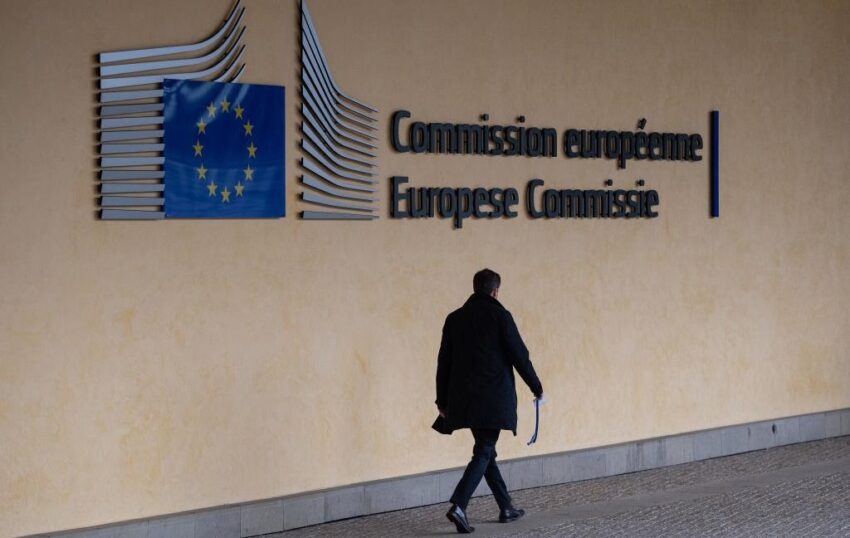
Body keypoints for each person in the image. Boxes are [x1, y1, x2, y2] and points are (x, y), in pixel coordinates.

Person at [436, 268, 544, 534]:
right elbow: (520, 356)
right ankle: (459, 505)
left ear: (476, 288)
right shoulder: (500, 316)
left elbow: (444, 361)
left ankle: (506, 507)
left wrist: (441, 399)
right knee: (484, 451)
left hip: (464, 400)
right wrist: (537, 387)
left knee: (487, 451)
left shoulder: (455, 319)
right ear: (495, 291)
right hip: (493, 399)